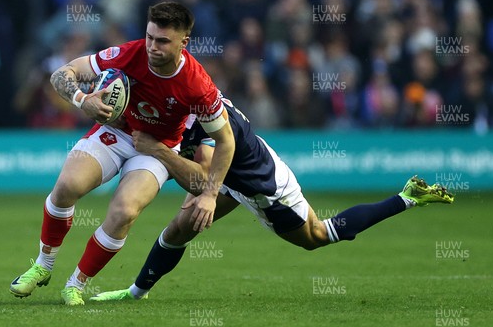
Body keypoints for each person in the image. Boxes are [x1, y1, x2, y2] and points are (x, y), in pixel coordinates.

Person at [89, 97, 454, 302]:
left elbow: (203, 170)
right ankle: (136, 293)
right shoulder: (188, 105)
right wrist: (198, 193)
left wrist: (166, 160)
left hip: (263, 186)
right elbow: (204, 171)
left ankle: (407, 197)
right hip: (227, 177)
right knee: (179, 230)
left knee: (318, 235)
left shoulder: (203, 117)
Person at [9, 2, 236, 305]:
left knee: (124, 212)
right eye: (149, 37)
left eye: (163, 41)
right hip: (116, 132)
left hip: (157, 149)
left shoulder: (197, 85)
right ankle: (42, 266)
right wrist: (83, 100)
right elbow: (62, 74)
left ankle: (75, 284)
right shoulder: (130, 53)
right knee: (66, 187)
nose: (153, 47)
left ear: (184, 43)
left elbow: (226, 141)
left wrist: (210, 194)